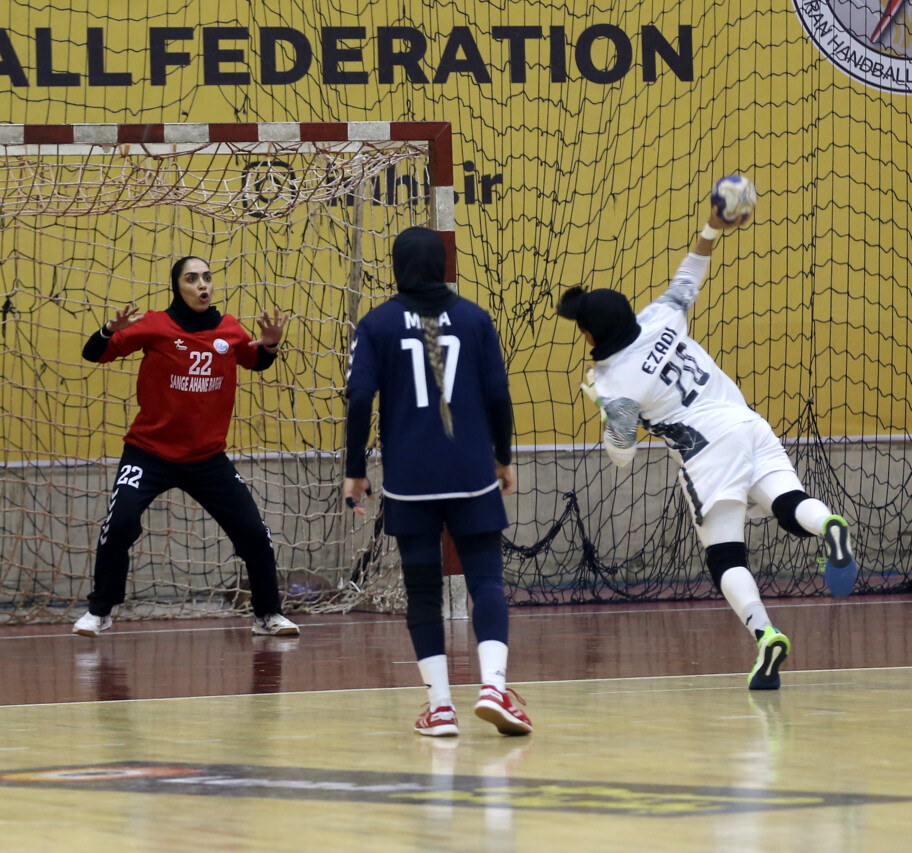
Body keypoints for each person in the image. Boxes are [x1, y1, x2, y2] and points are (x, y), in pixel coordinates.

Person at [556, 194, 859, 690]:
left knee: (725, 556)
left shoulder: (612, 383)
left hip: (708, 452)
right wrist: (713, 226)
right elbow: (690, 273)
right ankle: (829, 524)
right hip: (747, 422)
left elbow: (622, 455)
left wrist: (605, 409)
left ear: (589, 336)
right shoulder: (660, 317)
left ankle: (766, 635)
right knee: (789, 502)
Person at [344, 226, 532, 738]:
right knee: (486, 581)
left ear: (396, 267)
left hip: (410, 480)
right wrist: (502, 458)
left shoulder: (376, 323)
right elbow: (499, 394)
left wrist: (355, 470)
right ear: (444, 264)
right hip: (471, 472)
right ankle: (493, 687)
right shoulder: (474, 318)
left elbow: (359, 398)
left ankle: (442, 708)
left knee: (423, 592)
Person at [72, 256, 300, 638]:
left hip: (207, 458)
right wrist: (108, 330)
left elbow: (255, 360)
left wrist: (272, 344)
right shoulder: (155, 324)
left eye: (206, 277)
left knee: (254, 534)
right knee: (120, 524)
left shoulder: (229, 329)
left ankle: (267, 615)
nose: (202, 285)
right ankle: (100, 611)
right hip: (148, 452)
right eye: (192, 279)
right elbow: (94, 353)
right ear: (178, 287)